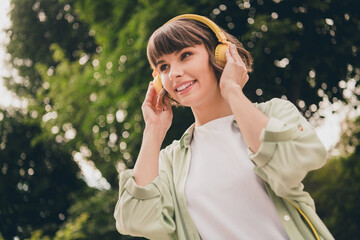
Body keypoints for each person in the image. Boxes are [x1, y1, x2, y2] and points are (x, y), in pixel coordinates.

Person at [114, 14, 334, 240]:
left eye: (185, 55)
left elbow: (292, 165)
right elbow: (135, 219)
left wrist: (231, 90)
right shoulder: (170, 161)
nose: (175, 73)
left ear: (220, 55)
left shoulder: (274, 113)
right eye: (164, 66)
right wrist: (153, 130)